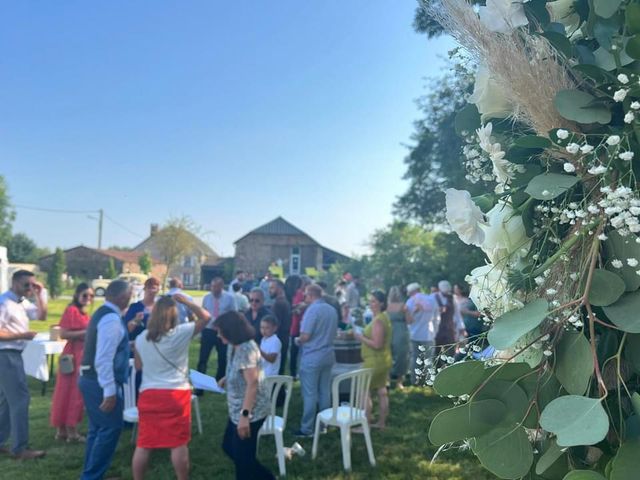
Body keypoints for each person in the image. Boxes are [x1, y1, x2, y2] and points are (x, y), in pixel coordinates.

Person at [131, 294, 211, 480]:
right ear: (173, 316)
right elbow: (206, 317)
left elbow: (138, 366)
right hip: (176, 393)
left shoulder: (142, 338)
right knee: (178, 443)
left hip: (149, 393)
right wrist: (187, 302)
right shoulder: (180, 333)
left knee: (144, 444)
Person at [79, 280, 132, 480]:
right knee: (110, 429)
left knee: (97, 429)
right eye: (130, 294)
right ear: (123, 297)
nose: (131, 298)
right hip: (99, 382)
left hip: (90, 378)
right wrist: (109, 391)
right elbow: (103, 359)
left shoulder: (103, 313)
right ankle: (91, 476)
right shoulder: (111, 319)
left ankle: (91, 473)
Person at [216, 311, 274, 480]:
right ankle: (267, 477)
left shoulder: (247, 348)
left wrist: (245, 417)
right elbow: (240, 369)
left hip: (251, 410)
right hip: (236, 408)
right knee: (229, 447)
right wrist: (227, 377)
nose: (218, 335)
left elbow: (253, 383)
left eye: (221, 331)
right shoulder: (232, 345)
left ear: (231, 330)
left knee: (242, 462)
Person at [0, 270, 48, 459]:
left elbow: (42, 316)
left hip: (13, 354)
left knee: (6, 400)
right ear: (14, 283)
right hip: (6, 354)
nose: (29, 288)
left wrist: (40, 294)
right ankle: (20, 448)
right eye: (26, 285)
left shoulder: (22, 302)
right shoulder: (4, 302)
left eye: (32, 285)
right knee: (20, 399)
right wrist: (22, 335)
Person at [50, 283, 94, 442]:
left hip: (80, 353)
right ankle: (70, 430)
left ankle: (63, 430)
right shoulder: (72, 310)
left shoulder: (83, 313)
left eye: (91, 296)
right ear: (77, 295)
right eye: (85, 295)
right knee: (71, 392)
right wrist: (87, 332)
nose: (88, 298)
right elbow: (64, 333)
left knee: (69, 391)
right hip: (73, 354)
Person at [295, 284, 338, 437]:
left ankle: (306, 428)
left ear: (311, 295)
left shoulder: (312, 310)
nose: (304, 298)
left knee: (310, 393)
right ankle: (323, 425)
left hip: (312, 355)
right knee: (324, 391)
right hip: (328, 354)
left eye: (306, 295)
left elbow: (305, 336)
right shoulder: (332, 309)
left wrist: (297, 340)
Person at [354, 290, 392, 429]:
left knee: (363, 392)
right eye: (370, 301)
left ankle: (365, 424)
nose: (371, 304)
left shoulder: (379, 321)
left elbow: (377, 344)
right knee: (382, 392)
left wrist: (360, 337)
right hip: (383, 360)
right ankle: (381, 423)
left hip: (374, 361)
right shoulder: (383, 317)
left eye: (374, 301)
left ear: (382, 303)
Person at [198, 277, 237, 383]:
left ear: (221, 287)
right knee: (203, 358)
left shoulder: (229, 298)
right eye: (212, 286)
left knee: (222, 358)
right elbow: (202, 314)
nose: (214, 289)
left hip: (223, 332)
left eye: (216, 287)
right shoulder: (206, 298)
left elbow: (233, 314)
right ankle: (200, 385)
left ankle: (219, 382)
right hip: (208, 330)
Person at [405, 283, 438, 385]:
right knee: (428, 358)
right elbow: (436, 317)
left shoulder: (410, 302)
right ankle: (428, 381)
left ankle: (415, 380)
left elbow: (408, 320)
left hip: (414, 334)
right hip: (428, 333)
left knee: (415, 357)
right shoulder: (431, 300)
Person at [433, 280, 466, 359]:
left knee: (451, 349)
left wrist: (461, 327)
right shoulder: (433, 297)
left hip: (450, 328)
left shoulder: (452, 298)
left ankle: (450, 366)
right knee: (436, 351)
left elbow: (457, 314)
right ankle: (437, 368)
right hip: (437, 328)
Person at [387, 286, 409, 390]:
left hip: (390, 330)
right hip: (400, 330)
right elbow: (410, 320)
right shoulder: (403, 306)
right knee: (401, 355)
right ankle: (399, 381)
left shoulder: (387, 307)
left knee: (389, 354)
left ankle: (388, 379)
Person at [125, 277, 160, 342]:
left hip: (155, 343)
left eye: (153, 288)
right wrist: (135, 320)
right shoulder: (134, 307)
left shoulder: (160, 308)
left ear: (158, 290)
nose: (151, 291)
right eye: (148, 288)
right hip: (136, 343)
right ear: (144, 289)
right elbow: (127, 329)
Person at [285, 275, 308, 379]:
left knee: (294, 351)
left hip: (295, 325)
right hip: (297, 325)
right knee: (296, 351)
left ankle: (293, 372)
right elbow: (296, 309)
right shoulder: (299, 293)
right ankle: (294, 373)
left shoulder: (294, 294)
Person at [268, 279, 291, 375]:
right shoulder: (284, 301)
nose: (270, 290)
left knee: (275, 368)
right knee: (280, 367)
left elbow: (275, 324)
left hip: (279, 338)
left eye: (272, 288)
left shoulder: (278, 303)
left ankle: (277, 389)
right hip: (284, 338)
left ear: (280, 288)